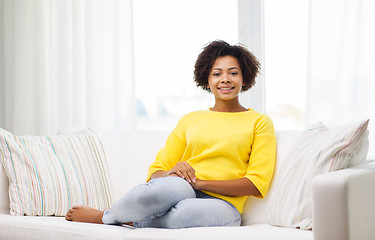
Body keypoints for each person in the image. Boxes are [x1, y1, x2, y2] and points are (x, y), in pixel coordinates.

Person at [65, 40, 276, 228]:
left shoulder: (259, 122)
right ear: (207, 79)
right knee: (158, 191)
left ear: (245, 78)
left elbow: (256, 183)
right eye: (217, 73)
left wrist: (201, 183)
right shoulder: (191, 119)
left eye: (233, 72)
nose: (225, 79)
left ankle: (111, 218)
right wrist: (172, 172)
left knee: (183, 212)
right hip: (185, 188)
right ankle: (115, 217)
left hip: (225, 204)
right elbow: (156, 172)